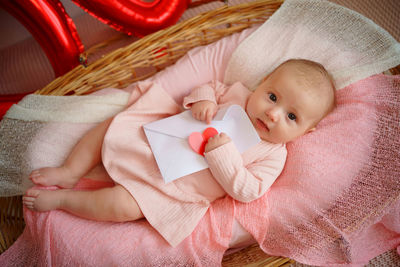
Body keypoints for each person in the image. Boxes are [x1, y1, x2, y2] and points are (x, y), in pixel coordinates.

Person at [23, 58, 336, 246]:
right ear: (263, 83)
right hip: (160, 140)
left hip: (171, 188)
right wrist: (203, 101)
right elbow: (210, 87)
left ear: (305, 132)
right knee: (112, 125)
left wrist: (223, 156)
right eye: (272, 96)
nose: (273, 114)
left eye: (291, 117)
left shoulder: (273, 155)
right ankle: (71, 171)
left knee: (123, 207)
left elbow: (247, 190)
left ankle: (64, 200)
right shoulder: (238, 94)